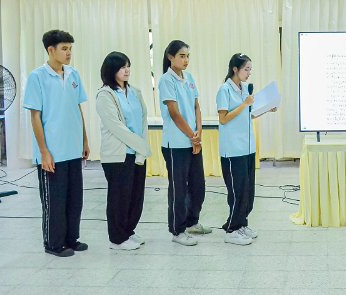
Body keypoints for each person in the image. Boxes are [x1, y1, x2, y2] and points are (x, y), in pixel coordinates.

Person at [23, 30, 90, 257]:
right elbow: (35, 116)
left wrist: (84, 139)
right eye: (64, 49)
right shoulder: (37, 77)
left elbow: (77, 108)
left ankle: (71, 239)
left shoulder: (73, 74)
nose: (69, 53)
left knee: (74, 199)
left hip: (73, 149)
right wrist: (44, 152)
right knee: (54, 201)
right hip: (52, 151)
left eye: (70, 48)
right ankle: (53, 244)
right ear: (50, 50)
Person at [216, 53, 277, 245]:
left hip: (247, 148)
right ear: (235, 69)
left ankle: (241, 224)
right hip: (233, 150)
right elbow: (223, 119)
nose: (249, 73)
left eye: (250, 69)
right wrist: (244, 104)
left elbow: (247, 114)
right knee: (238, 191)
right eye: (246, 69)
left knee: (248, 191)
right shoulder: (225, 90)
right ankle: (231, 231)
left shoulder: (244, 89)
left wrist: (266, 108)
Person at [96, 52, 152, 250]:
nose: (126, 70)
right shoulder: (105, 95)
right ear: (111, 70)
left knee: (135, 197)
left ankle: (128, 231)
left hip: (136, 153)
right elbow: (116, 127)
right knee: (119, 198)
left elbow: (143, 120)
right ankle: (117, 239)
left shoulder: (135, 92)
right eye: (122, 67)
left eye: (128, 66)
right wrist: (141, 146)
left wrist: (141, 149)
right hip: (118, 155)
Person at [158, 40, 211, 246]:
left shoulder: (189, 78)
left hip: (193, 141)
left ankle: (191, 222)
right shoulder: (166, 80)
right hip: (176, 144)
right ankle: (177, 230)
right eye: (182, 56)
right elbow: (174, 112)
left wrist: (198, 133)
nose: (186, 60)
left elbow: (197, 107)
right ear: (170, 57)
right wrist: (192, 135)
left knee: (198, 186)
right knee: (178, 189)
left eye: (187, 56)